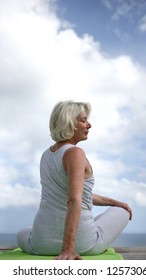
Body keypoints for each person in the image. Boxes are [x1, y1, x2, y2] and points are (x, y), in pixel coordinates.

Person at [17, 100, 132, 260]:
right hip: (83, 244)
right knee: (122, 212)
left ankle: (49, 239)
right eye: (84, 120)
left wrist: (112, 201)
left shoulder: (46, 155)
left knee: (23, 232)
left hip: (40, 244)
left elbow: (77, 193)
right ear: (69, 123)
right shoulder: (75, 153)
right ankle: (71, 245)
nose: (89, 125)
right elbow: (74, 199)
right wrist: (68, 249)